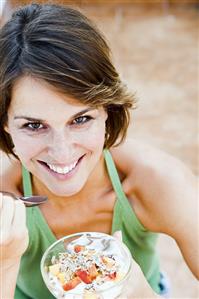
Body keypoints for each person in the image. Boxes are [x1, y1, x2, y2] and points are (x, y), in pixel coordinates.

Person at [0, 3, 198, 299]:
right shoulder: (4, 199)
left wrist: (142, 296)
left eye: (80, 119)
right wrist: (6, 263)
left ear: (109, 111)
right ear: (5, 124)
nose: (62, 151)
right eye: (34, 125)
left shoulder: (160, 182)